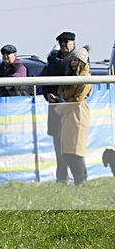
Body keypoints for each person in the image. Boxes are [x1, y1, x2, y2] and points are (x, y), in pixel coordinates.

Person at [40, 31, 91, 184]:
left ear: (73, 43)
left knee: (75, 147)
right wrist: (49, 94)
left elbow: (79, 95)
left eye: (66, 42)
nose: (63, 45)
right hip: (56, 106)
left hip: (72, 109)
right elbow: (44, 81)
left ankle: (81, 179)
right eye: (61, 43)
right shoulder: (52, 61)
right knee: (59, 147)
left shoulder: (81, 60)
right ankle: (62, 178)